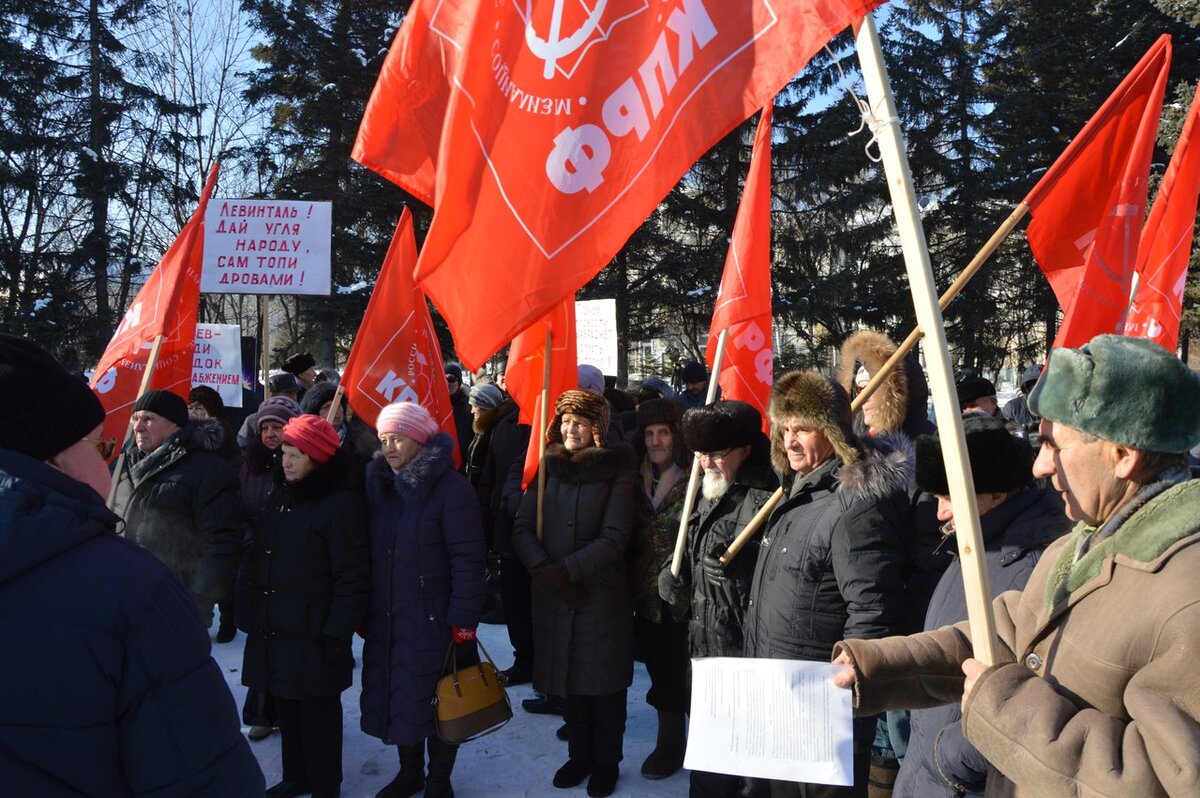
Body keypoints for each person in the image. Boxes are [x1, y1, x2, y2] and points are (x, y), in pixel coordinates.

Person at [832, 334, 1200, 798]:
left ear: (1123, 455)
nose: (1040, 467)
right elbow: (998, 635)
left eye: (1053, 445)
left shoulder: (1188, 595)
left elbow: (1172, 780)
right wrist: (872, 668)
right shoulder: (1080, 542)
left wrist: (1003, 707)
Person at [0, 333, 264, 795]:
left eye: (147, 420)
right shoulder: (130, 593)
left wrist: (199, 598)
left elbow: (222, 539)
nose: (134, 432)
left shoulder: (206, 473)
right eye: (102, 447)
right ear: (51, 457)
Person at [745, 370, 913, 797]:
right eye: (784, 428)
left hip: (820, 700)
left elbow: (872, 609)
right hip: (779, 687)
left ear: (833, 431)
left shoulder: (853, 504)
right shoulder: (797, 492)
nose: (790, 440)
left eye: (802, 427)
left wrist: (849, 688)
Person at [885, 414, 1067, 798]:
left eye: (949, 497)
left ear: (997, 493)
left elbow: (1032, 691)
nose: (940, 513)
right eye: (936, 497)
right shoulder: (974, 543)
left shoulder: (1033, 565)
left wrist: (954, 759)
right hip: (927, 774)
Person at [512, 389, 638, 798]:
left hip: (598, 597)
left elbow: (615, 538)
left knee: (603, 687)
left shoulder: (618, 472)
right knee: (570, 684)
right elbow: (522, 527)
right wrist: (543, 569)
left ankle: (607, 762)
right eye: (566, 421)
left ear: (598, 428)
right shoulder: (549, 467)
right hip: (555, 597)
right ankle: (579, 755)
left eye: (580, 422)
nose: (571, 429)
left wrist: (566, 571)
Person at [240, 414, 370, 798]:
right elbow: (260, 554)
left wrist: (336, 630)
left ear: (318, 459)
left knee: (317, 714)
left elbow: (353, 575)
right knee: (287, 706)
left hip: (316, 629)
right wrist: (249, 605)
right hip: (277, 624)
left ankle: (325, 785)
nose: (287, 462)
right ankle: (297, 776)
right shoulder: (283, 494)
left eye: (297, 455)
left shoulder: (340, 504)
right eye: (285, 453)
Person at [361, 401, 486, 798]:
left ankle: (439, 782)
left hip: (436, 620)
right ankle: (409, 772)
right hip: (389, 616)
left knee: (440, 703)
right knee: (399, 696)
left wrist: (463, 619)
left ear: (418, 438)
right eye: (384, 439)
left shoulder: (451, 489)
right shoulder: (381, 487)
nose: (390, 446)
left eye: (397, 437)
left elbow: (468, 558)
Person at [656, 400, 776, 796]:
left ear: (744, 449)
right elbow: (684, 553)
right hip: (704, 654)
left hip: (746, 660)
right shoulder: (704, 489)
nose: (706, 462)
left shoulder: (768, 497)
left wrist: (739, 572)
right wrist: (671, 580)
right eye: (700, 453)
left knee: (745, 778)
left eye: (716, 454)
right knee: (708, 775)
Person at [111, 388, 244, 628]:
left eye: (149, 419)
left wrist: (198, 603)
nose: (139, 426)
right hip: (122, 594)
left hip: (173, 602)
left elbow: (220, 544)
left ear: (175, 425)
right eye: (136, 418)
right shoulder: (122, 464)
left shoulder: (209, 471)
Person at [628, 398, 692, 780]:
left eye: (663, 433)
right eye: (650, 434)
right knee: (660, 670)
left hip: (685, 599)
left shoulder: (695, 476)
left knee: (688, 673)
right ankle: (670, 741)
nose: (656, 442)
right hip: (647, 599)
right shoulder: (633, 480)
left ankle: (699, 740)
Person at [238, 394, 302, 737]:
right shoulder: (250, 463)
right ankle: (262, 713)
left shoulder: (300, 463)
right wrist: (252, 540)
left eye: (278, 426)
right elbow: (238, 508)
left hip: (289, 567)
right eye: (266, 427)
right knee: (260, 641)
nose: (271, 433)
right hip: (255, 565)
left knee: (285, 641)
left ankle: (287, 711)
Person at [445, 363, 474, 467]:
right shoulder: (439, 405)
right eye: (444, 379)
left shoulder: (469, 406)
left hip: (462, 462)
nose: (447, 382)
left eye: (451, 379)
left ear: (459, 381)